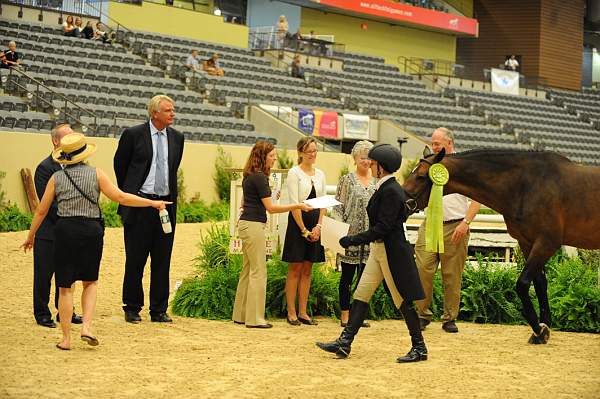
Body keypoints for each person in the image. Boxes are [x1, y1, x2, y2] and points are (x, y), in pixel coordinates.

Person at [21, 132, 170, 350]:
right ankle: (87, 327)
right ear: (84, 154)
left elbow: (41, 211)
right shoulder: (97, 174)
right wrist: (151, 203)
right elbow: (121, 197)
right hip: (91, 230)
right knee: (90, 282)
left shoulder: (56, 178)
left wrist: (30, 235)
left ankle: (65, 339)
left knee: (65, 287)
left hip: (65, 230)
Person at [316, 144, 428, 363]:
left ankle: (419, 347)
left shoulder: (391, 190)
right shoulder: (384, 187)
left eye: (373, 163)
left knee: (402, 300)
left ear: (381, 167)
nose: (370, 165)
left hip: (389, 251)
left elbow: (383, 227)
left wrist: (352, 240)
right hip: (378, 249)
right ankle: (345, 342)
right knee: (361, 294)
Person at [114, 95, 184, 324]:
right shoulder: (133, 135)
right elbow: (120, 165)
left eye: (173, 110)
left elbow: (173, 168)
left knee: (163, 260)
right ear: (154, 113)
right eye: (168, 110)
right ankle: (132, 307)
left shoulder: (177, 137)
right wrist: (131, 194)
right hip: (139, 205)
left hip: (165, 206)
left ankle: (159, 309)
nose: (172, 114)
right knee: (135, 259)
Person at [232, 141, 313, 329]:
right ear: (262, 157)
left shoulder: (250, 176)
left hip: (247, 224)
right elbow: (271, 208)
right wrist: (298, 205)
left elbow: (246, 202)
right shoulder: (260, 178)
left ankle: (241, 314)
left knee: (248, 269)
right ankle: (255, 318)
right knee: (258, 271)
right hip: (253, 226)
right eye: (271, 156)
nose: (275, 158)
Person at [415, 127, 480, 333]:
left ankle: (449, 317)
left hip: (456, 225)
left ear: (449, 143)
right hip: (430, 223)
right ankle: (421, 314)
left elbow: (478, 198)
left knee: (452, 274)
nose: (433, 146)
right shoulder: (429, 164)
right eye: (432, 143)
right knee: (423, 268)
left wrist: (466, 222)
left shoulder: (464, 166)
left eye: (437, 143)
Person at [32, 124, 83, 328]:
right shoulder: (44, 168)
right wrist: (69, 216)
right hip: (50, 231)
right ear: (55, 141)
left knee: (67, 274)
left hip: (70, 230)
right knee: (44, 274)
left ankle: (64, 311)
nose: (73, 139)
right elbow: (47, 202)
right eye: (68, 136)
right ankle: (42, 313)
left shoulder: (77, 165)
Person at [282, 137, 326, 326]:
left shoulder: (321, 174)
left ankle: (303, 311)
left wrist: (318, 227)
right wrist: (303, 230)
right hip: (298, 224)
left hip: (315, 224)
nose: (313, 154)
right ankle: (291, 312)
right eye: (309, 151)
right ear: (301, 152)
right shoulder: (294, 173)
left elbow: (324, 203)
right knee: (295, 268)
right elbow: (294, 204)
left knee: (308, 269)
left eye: (315, 151)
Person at [332, 141, 376, 327]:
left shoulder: (376, 182)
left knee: (363, 280)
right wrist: (341, 230)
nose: (366, 161)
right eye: (362, 157)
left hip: (370, 237)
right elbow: (338, 207)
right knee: (347, 278)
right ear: (355, 159)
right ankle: (345, 314)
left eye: (369, 157)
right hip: (349, 237)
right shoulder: (346, 180)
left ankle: (358, 315)